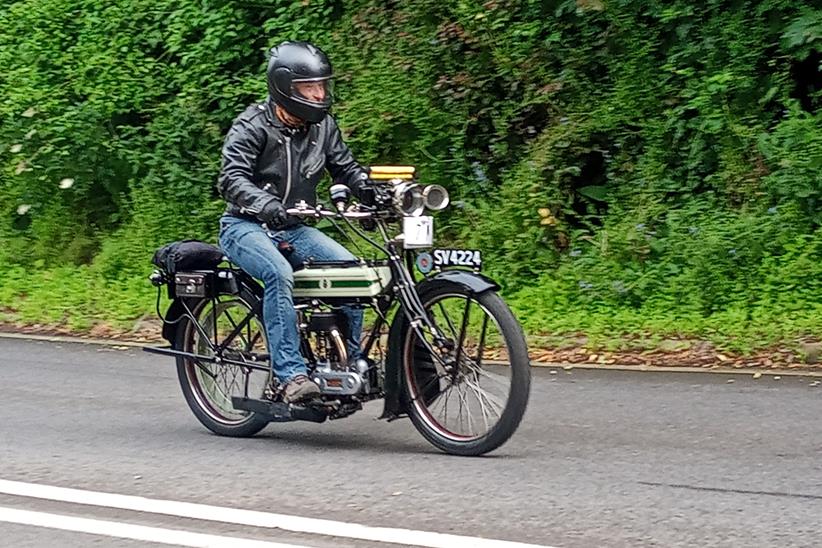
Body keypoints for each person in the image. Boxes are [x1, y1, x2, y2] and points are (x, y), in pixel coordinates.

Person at [217, 41, 369, 403]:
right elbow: (231, 179)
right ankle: (290, 376)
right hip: (245, 226)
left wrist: (368, 190)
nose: (319, 94)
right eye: (309, 88)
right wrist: (265, 204)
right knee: (278, 275)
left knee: (353, 273)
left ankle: (350, 364)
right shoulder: (252, 124)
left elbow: (344, 168)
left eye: (321, 86)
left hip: (295, 227)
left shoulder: (323, 126)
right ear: (284, 87)